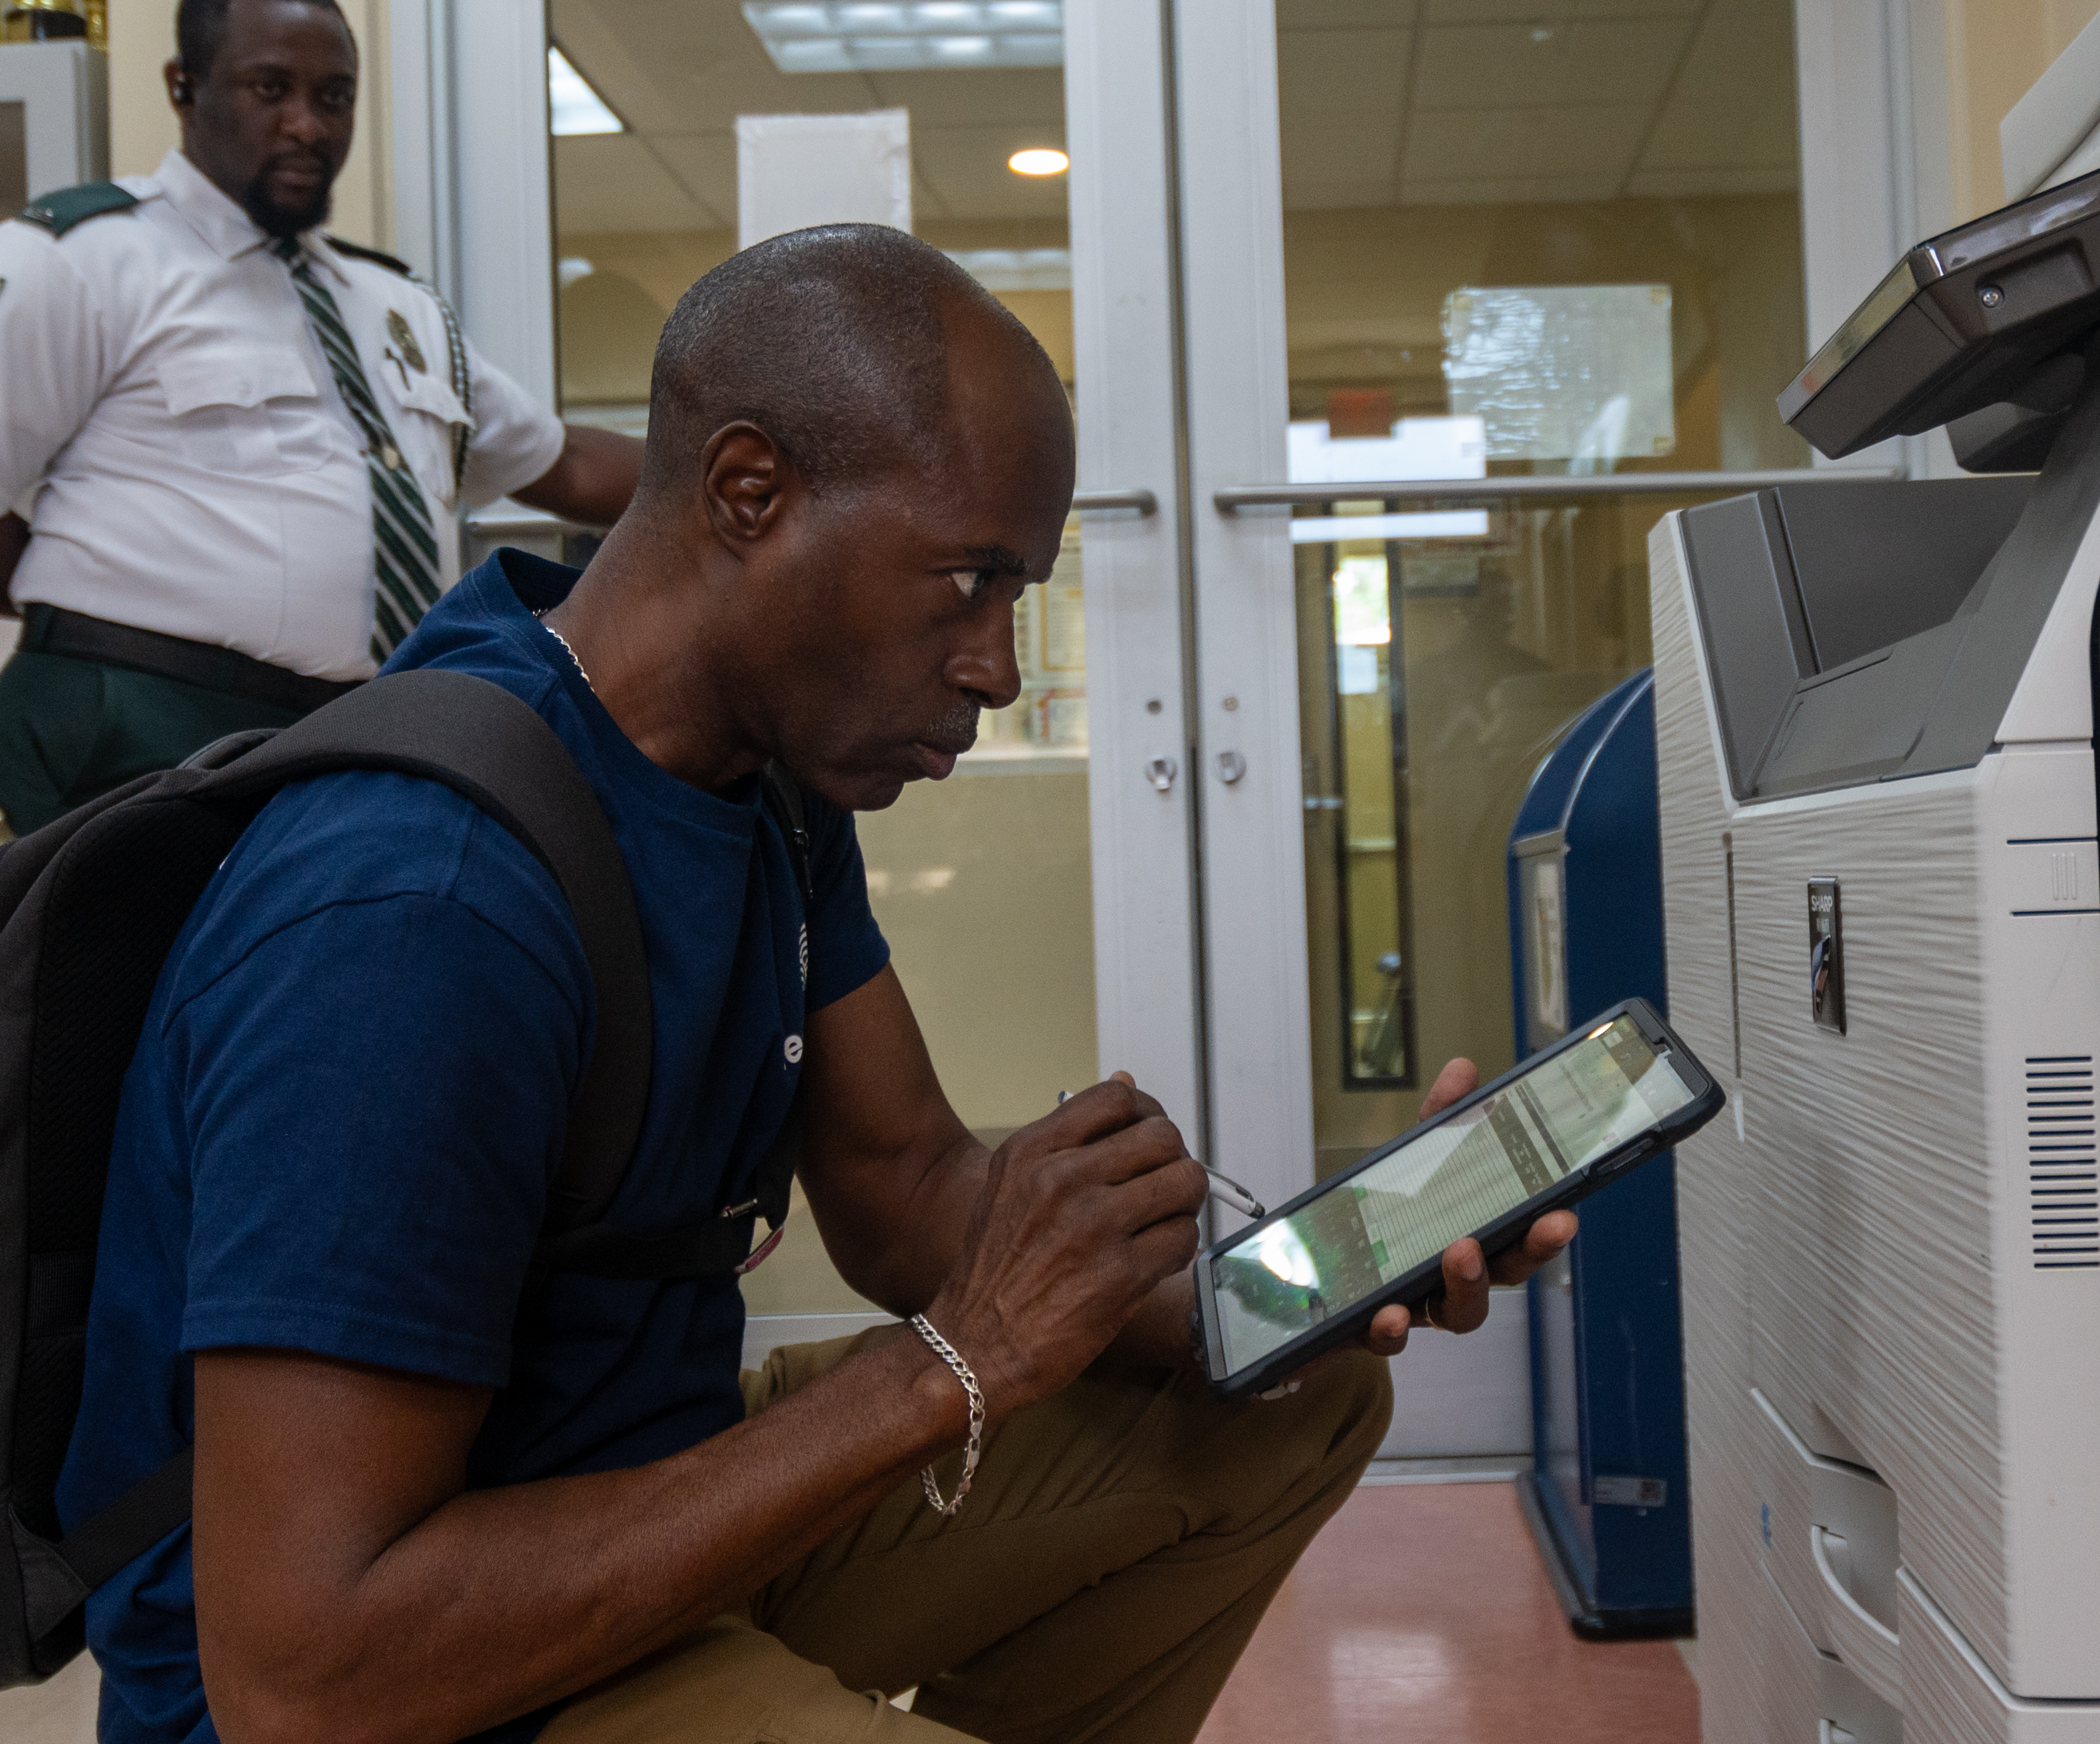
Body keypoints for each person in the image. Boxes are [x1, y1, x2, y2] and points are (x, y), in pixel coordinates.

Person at [57, 221, 1577, 1744]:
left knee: (1288, 1400)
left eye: (1020, 593)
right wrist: (953, 1362)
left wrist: (1318, 1270)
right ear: (748, 493)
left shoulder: (758, 779)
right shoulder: (416, 907)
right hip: (398, 1672)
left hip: (640, 1523)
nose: (995, 661)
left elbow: (907, 1185)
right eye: (968, 578)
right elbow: (303, 1671)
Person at [0, 0, 641, 835]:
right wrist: (85, 593)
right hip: (130, 724)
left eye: (334, 97)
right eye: (272, 89)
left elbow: (569, 465)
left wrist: (747, 478)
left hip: (348, 733)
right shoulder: (83, 260)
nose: (307, 125)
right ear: (183, 87)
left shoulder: (392, 308)